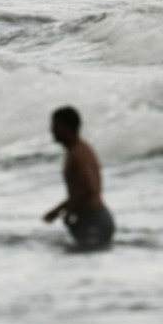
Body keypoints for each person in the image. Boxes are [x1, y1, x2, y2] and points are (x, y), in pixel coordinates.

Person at [43, 106, 115, 248]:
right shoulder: (76, 150)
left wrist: (65, 210)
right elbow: (82, 189)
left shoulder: (78, 153)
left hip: (94, 219)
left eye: (55, 125)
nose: (52, 130)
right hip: (90, 218)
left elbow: (89, 188)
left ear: (68, 127)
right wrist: (60, 210)